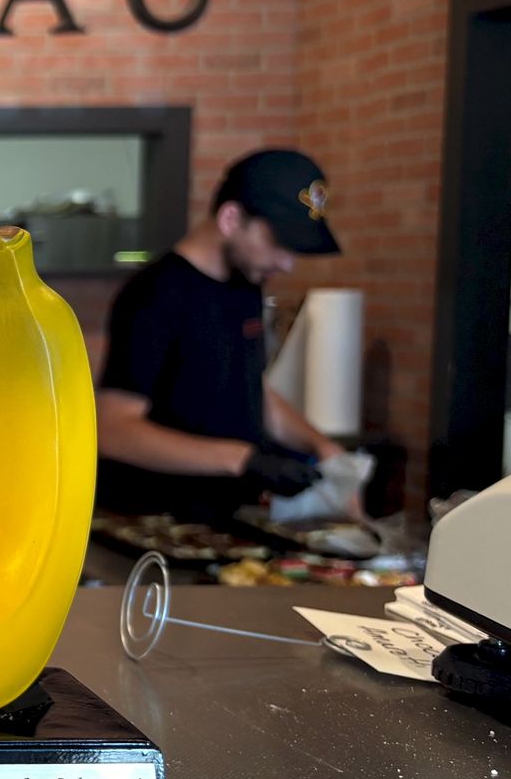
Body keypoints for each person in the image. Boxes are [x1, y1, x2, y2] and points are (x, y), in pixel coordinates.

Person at [95, 148, 354, 521]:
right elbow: (114, 429)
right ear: (232, 219)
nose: (287, 263)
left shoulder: (245, 286)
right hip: (158, 524)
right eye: (279, 244)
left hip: (230, 521)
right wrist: (240, 459)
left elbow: (251, 388)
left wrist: (326, 450)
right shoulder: (154, 296)